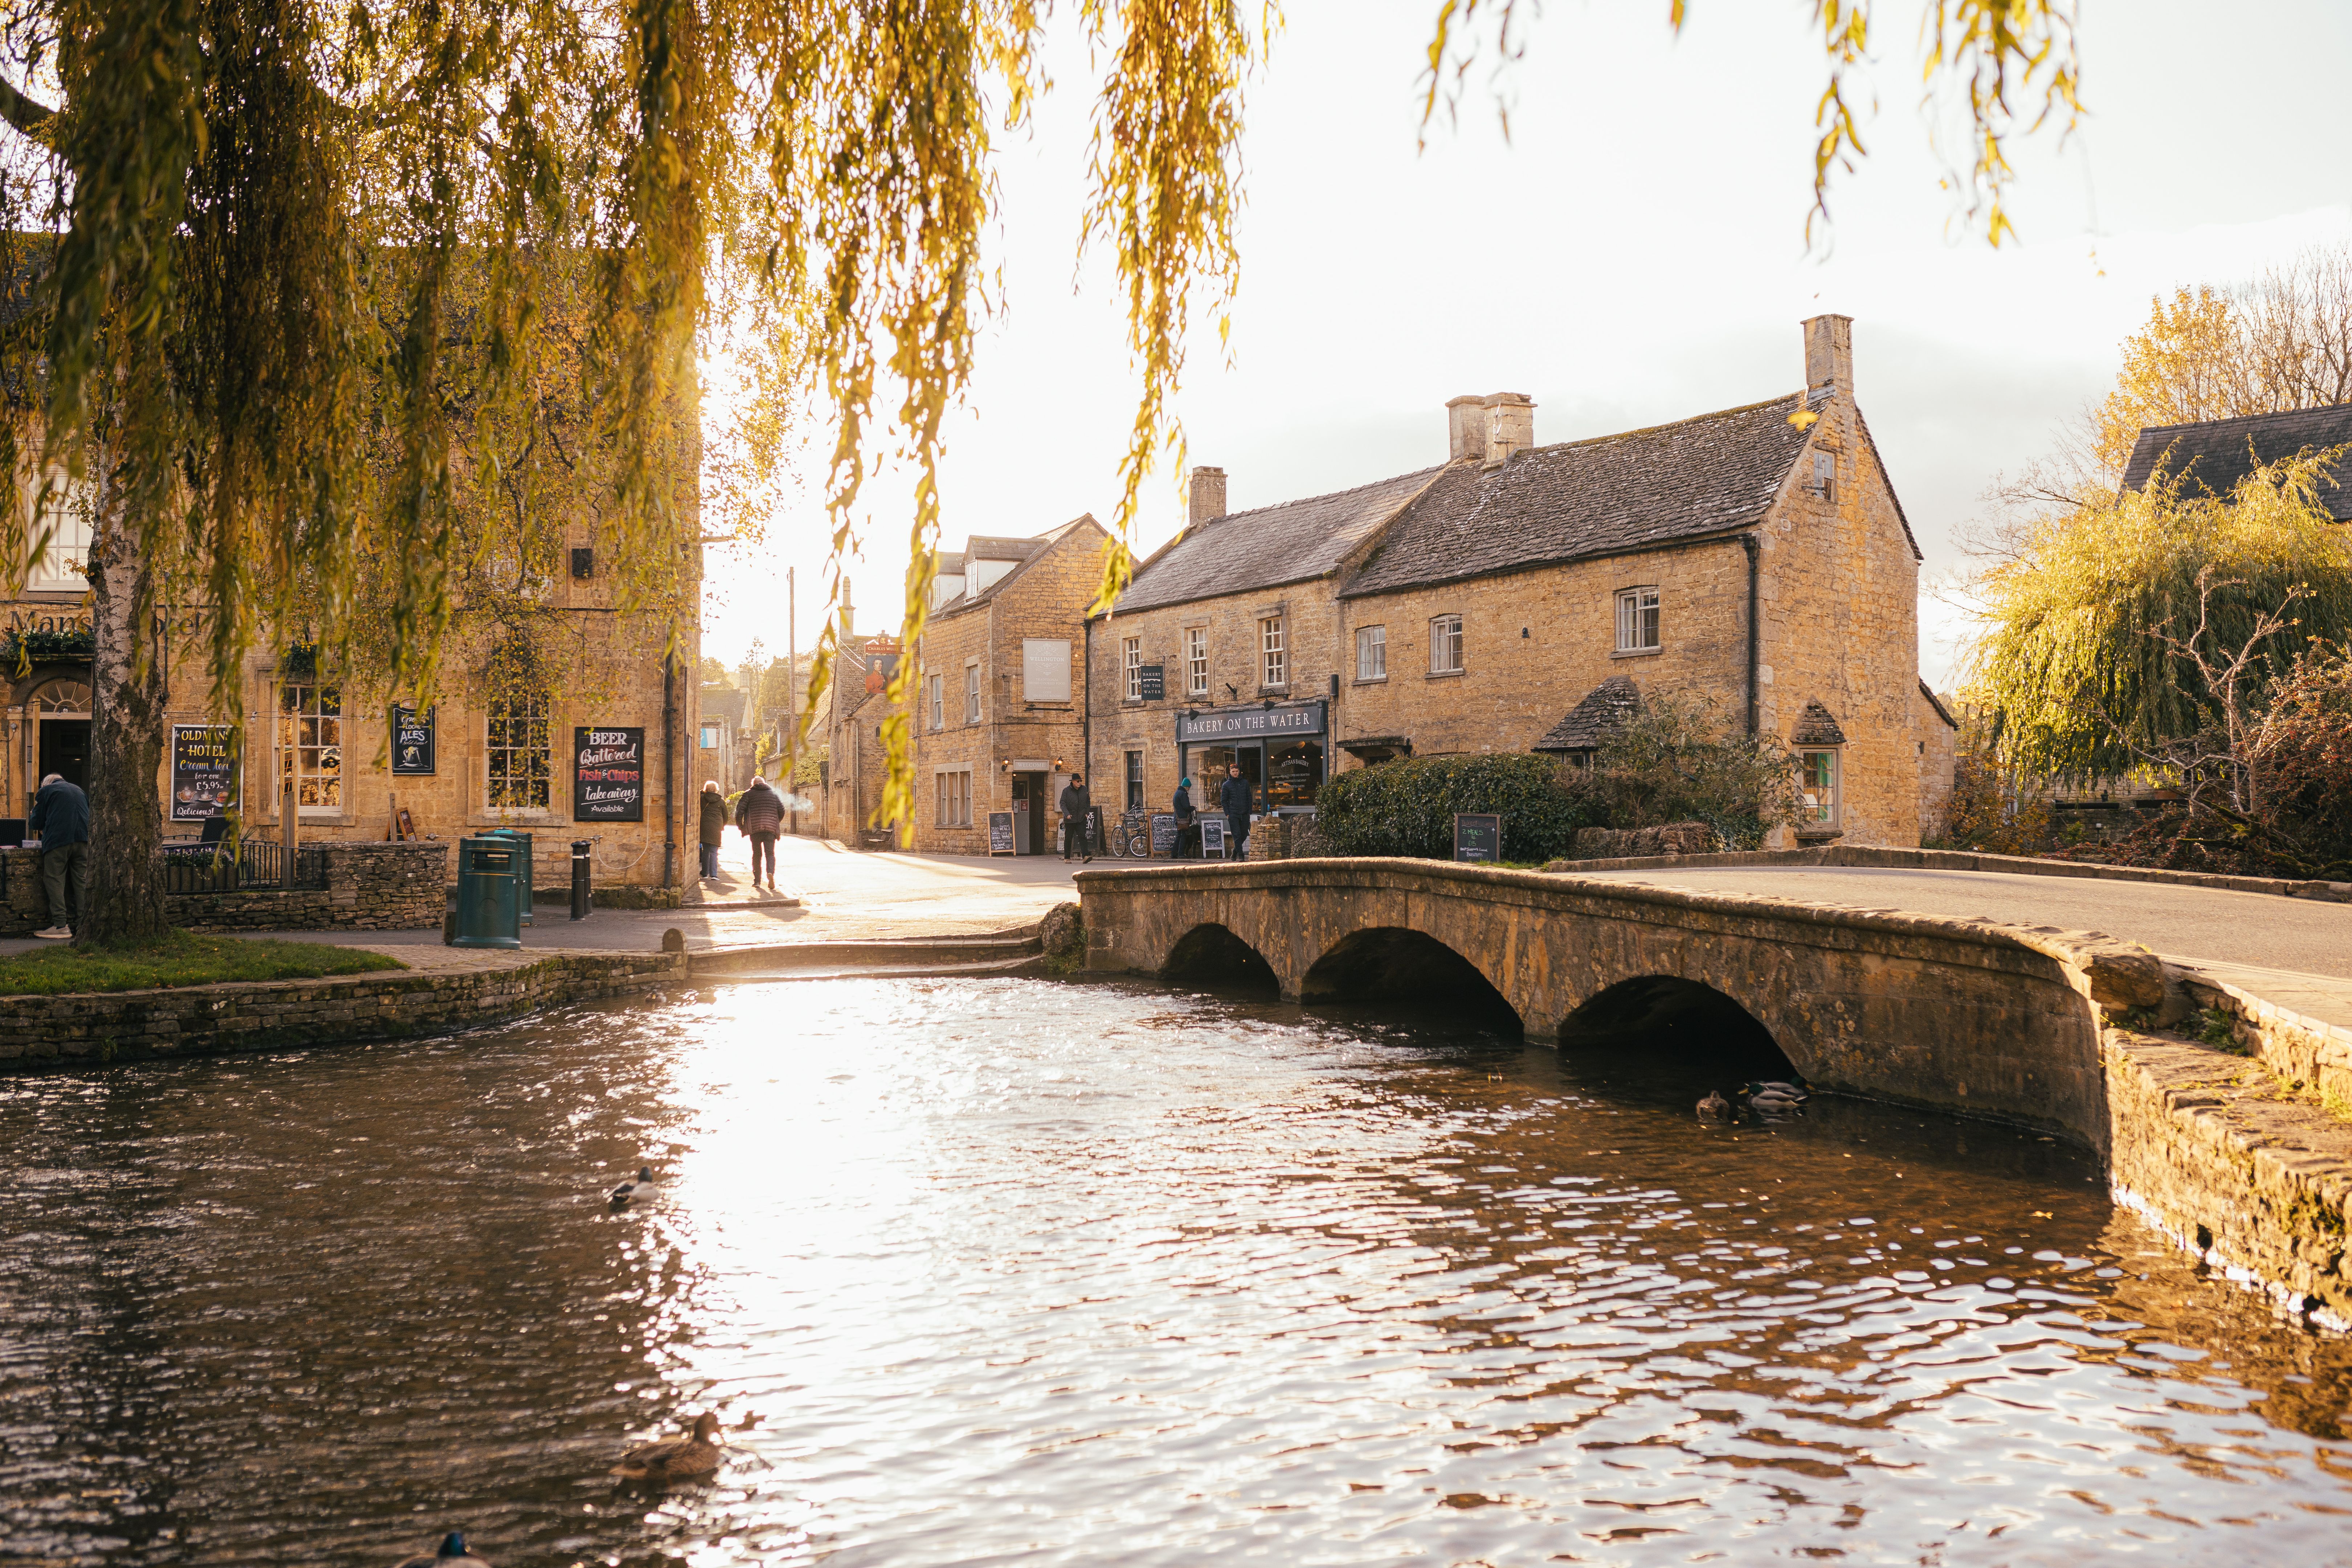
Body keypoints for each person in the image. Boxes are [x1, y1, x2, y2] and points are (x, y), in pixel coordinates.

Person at [29, 771, 89, 940]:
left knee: (54, 878)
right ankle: (84, 922)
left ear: (45, 785)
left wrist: (34, 813)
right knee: (81, 880)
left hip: (59, 841)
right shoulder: (79, 790)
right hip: (83, 840)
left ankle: (61, 926)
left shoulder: (47, 791)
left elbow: (36, 822)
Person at [735, 773, 785, 890]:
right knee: (770, 854)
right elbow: (782, 810)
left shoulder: (748, 794)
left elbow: (739, 812)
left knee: (757, 855)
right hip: (770, 830)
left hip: (755, 830)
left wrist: (741, 826)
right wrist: (775, 822)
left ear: (753, 785)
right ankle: (771, 873)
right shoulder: (773, 794)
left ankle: (757, 881)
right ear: (764, 783)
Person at [1218, 763, 1253, 860]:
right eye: (1233, 772)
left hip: (1245, 813)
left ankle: (1235, 851)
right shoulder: (1226, 785)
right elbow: (1224, 801)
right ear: (1230, 772)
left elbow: (1249, 797)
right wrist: (1228, 814)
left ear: (1239, 772)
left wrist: (1249, 811)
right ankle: (1241, 855)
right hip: (1233, 814)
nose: (1235, 773)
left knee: (1244, 834)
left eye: (1237, 771)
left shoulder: (1245, 783)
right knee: (1237, 835)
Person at [1058, 772, 1092, 862]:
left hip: (1081, 817)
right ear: (1073, 782)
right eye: (1078, 781)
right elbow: (1062, 803)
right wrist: (1067, 814)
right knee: (1069, 838)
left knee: (1082, 836)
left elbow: (1088, 802)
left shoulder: (1084, 789)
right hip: (1070, 818)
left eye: (1081, 781)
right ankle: (1067, 858)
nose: (1080, 783)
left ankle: (1085, 856)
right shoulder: (1067, 791)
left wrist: (1087, 813)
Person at [697, 780, 727, 882]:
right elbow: (725, 816)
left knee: (705, 851)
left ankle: (705, 873)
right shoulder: (721, 801)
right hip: (716, 827)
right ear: (716, 789)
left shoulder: (702, 799)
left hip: (705, 825)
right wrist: (722, 825)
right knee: (714, 851)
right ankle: (714, 874)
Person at [1171, 775, 1197, 860]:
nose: (1189, 790)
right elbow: (1186, 807)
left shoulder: (1177, 793)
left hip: (1178, 818)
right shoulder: (1183, 794)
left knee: (1179, 836)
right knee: (1183, 836)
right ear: (1186, 787)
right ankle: (1181, 853)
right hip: (1183, 819)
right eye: (1189, 788)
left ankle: (1174, 854)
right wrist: (1193, 808)